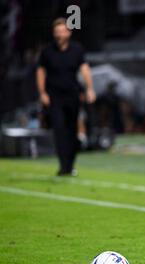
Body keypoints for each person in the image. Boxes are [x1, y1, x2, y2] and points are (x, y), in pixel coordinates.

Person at [36, 18, 96, 176]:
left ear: (68, 33)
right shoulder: (47, 51)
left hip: (73, 96)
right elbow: (41, 72)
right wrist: (42, 93)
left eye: (62, 31)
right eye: (56, 31)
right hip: (54, 97)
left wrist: (90, 89)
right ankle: (64, 166)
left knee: (72, 131)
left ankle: (70, 164)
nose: (59, 34)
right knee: (59, 130)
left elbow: (85, 69)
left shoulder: (77, 49)